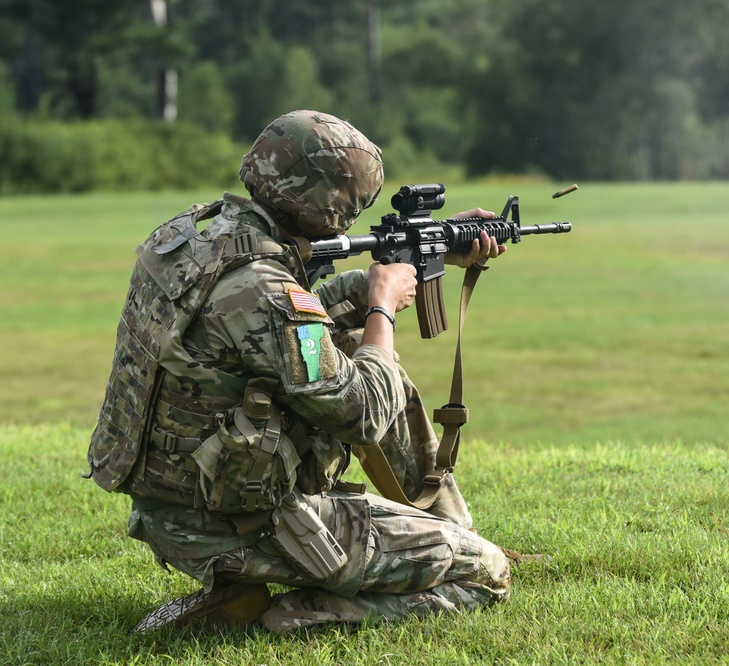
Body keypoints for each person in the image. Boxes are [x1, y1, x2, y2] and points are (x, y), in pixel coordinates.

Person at [86, 109, 510, 633]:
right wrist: (381, 307)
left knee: (353, 343)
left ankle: (438, 531)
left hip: (173, 506)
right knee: (487, 574)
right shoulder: (263, 286)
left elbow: (285, 325)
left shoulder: (193, 236)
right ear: (325, 202)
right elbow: (363, 413)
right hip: (240, 524)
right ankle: (274, 617)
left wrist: (418, 254)